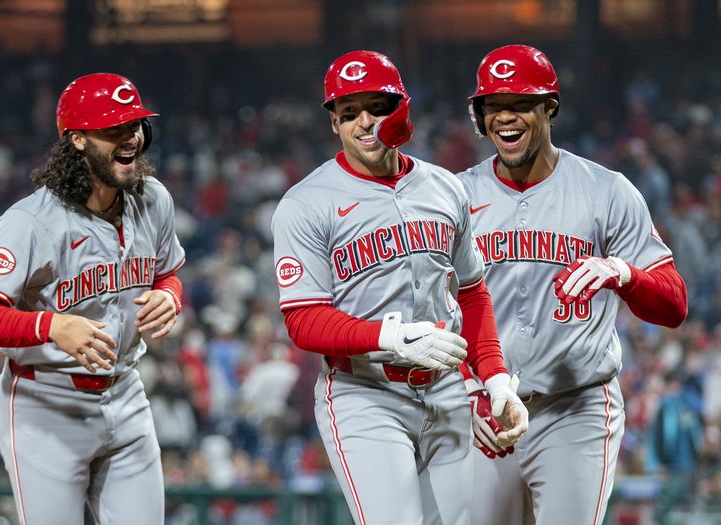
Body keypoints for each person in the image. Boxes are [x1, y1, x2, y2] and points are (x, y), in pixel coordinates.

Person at [271, 49, 529, 524]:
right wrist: (389, 338)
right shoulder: (305, 203)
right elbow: (304, 320)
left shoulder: (444, 187)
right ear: (333, 123)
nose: (364, 122)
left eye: (377, 107)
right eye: (348, 113)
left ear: (402, 108)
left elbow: (471, 292)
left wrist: (492, 378)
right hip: (365, 393)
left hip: (447, 390)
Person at [458, 44, 688, 525]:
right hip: (483, 407)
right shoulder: (455, 195)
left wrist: (624, 274)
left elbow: (674, 305)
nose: (506, 117)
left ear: (549, 108)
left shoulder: (606, 190)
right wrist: (463, 390)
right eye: (493, 106)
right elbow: (434, 307)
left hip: (575, 408)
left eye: (521, 104)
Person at [0, 72, 186, 525]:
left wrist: (170, 296)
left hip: (126, 393)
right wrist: (51, 325)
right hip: (47, 404)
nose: (130, 139)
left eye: (135, 126)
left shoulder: (154, 199)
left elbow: (169, 274)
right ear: (77, 140)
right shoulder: (31, 222)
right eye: (113, 129)